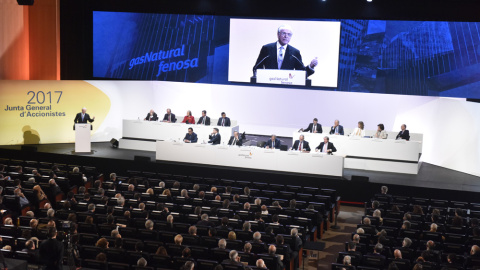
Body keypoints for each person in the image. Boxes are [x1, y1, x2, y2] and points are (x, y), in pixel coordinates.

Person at [253, 24, 317, 77]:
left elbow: (302, 73)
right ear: (278, 34)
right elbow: (257, 67)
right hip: (269, 85)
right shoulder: (267, 48)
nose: (286, 36)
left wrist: (311, 66)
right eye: (283, 33)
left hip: (286, 87)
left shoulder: (295, 52)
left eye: (289, 34)